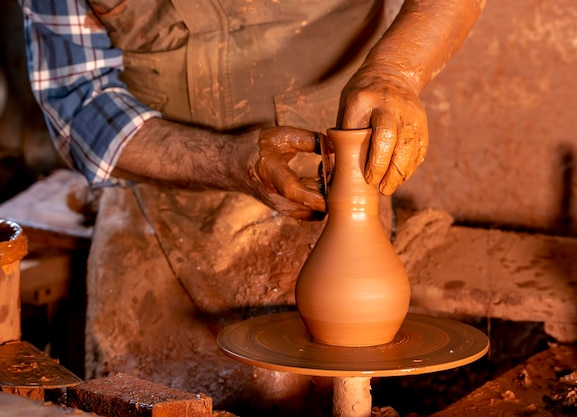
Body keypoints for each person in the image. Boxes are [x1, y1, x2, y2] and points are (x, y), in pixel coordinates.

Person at [19, 0, 485, 415]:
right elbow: (78, 98)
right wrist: (225, 162)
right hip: (161, 193)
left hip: (326, 187)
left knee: (323, 383)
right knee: (141, 395)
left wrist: (395, 72)